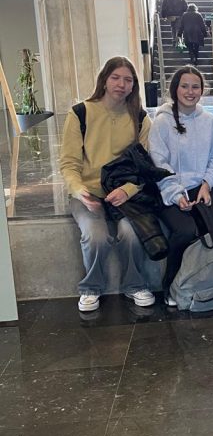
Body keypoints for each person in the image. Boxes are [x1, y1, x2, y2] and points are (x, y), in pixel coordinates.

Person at [59, 56, 157, 312]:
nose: (121, 85)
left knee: (132, 233)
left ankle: (135, 285)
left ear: (134, 85)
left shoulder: (140, 118)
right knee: (96, 236)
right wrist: (79, 191)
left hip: (126, 193)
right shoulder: (80, 113)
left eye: (128, 80)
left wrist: (127, 190)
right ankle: (91, 288)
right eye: (116, 78)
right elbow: (69, 163)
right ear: (104, 80)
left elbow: (145, 165)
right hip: (89, 192)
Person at [148, 66, 213, 304]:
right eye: (184, 86)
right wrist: (175, 195)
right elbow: (159, 163)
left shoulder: (210, 121)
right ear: (175, 89)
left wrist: (206, 184)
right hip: (169, 189)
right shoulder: (161, 122)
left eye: (195, 87)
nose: (190, 92)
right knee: (184, 230)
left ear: (202, 90)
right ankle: (172, 286)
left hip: (201, 187)